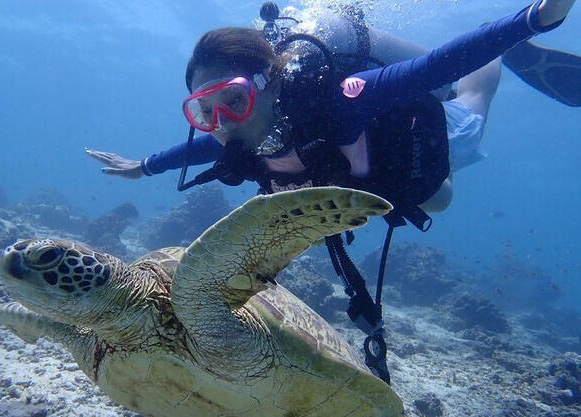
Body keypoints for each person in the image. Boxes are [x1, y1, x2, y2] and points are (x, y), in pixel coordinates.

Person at [87, 0, 577, 384]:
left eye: (232, 101)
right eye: (204, 112)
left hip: (411, 134)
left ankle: (491, 74)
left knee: (452, 157)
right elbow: (192, 152)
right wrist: (143, 168)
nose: (220, 125)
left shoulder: (342, 102)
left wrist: (537, 17)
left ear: (269, 82)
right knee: (437, 198)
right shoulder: (236, 137)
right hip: (358, 178)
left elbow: (433, 65)